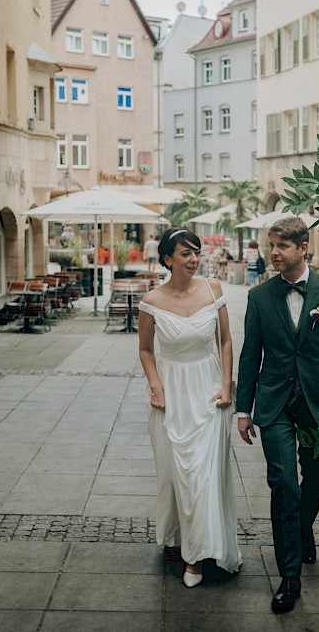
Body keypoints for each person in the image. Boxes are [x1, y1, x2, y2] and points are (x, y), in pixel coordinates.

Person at [235, 216, 319, 614]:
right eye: (271, 245)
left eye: (282, 246)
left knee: (315, 479)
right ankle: (289, 576)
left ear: (303, 247)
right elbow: (249, 355)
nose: (274, 253)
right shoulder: (259, 297)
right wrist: (244, 409)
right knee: (284, 483)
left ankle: (303, 529)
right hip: (273, 404)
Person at [137, 228, 243, 588]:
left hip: (210, 392)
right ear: (168, 259)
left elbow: (226, 340)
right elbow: (146, 350)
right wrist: (156, 388)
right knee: (177, 475)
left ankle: (196, 558)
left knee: (203, 475)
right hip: (172, 395)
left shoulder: (214, 289)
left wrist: (227, 385)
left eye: (196, 253)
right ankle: (181, 540)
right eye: (185, 254)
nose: (194, 259)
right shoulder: (151, 300)